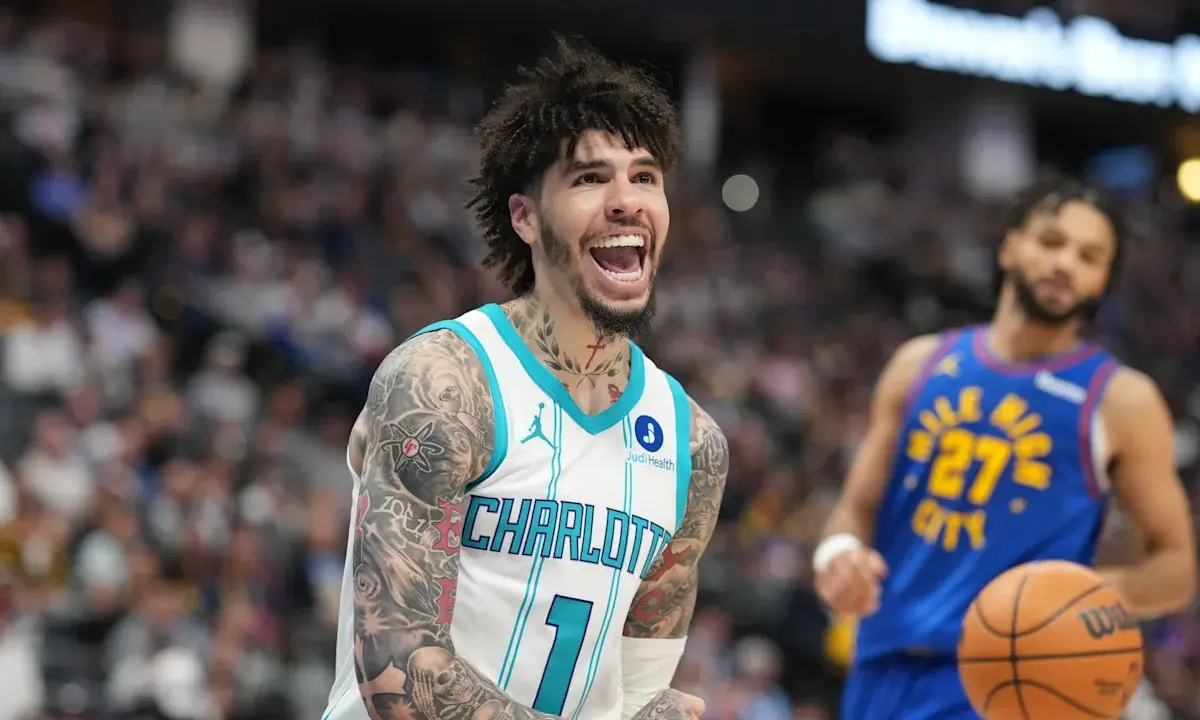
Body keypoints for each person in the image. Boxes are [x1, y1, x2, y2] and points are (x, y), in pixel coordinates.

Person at [320, 36, 727, 720]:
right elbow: (399, 675)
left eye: (645, 177)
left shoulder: (693, 445)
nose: (626, 201)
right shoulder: (446, 384)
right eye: (590, 178)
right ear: (526, 216)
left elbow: (636, 694)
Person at [813, 179, 1197, 719]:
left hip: (1012, 681)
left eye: (1089, 256)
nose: (1065, 263)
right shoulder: (918, 363)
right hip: (881, 666)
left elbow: (1176, 568)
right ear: (1009, 246)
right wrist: (837, 554)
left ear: (1103, 280)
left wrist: (1074, 600)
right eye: (1051, 241)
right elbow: (855, 509)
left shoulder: (1121, 400)